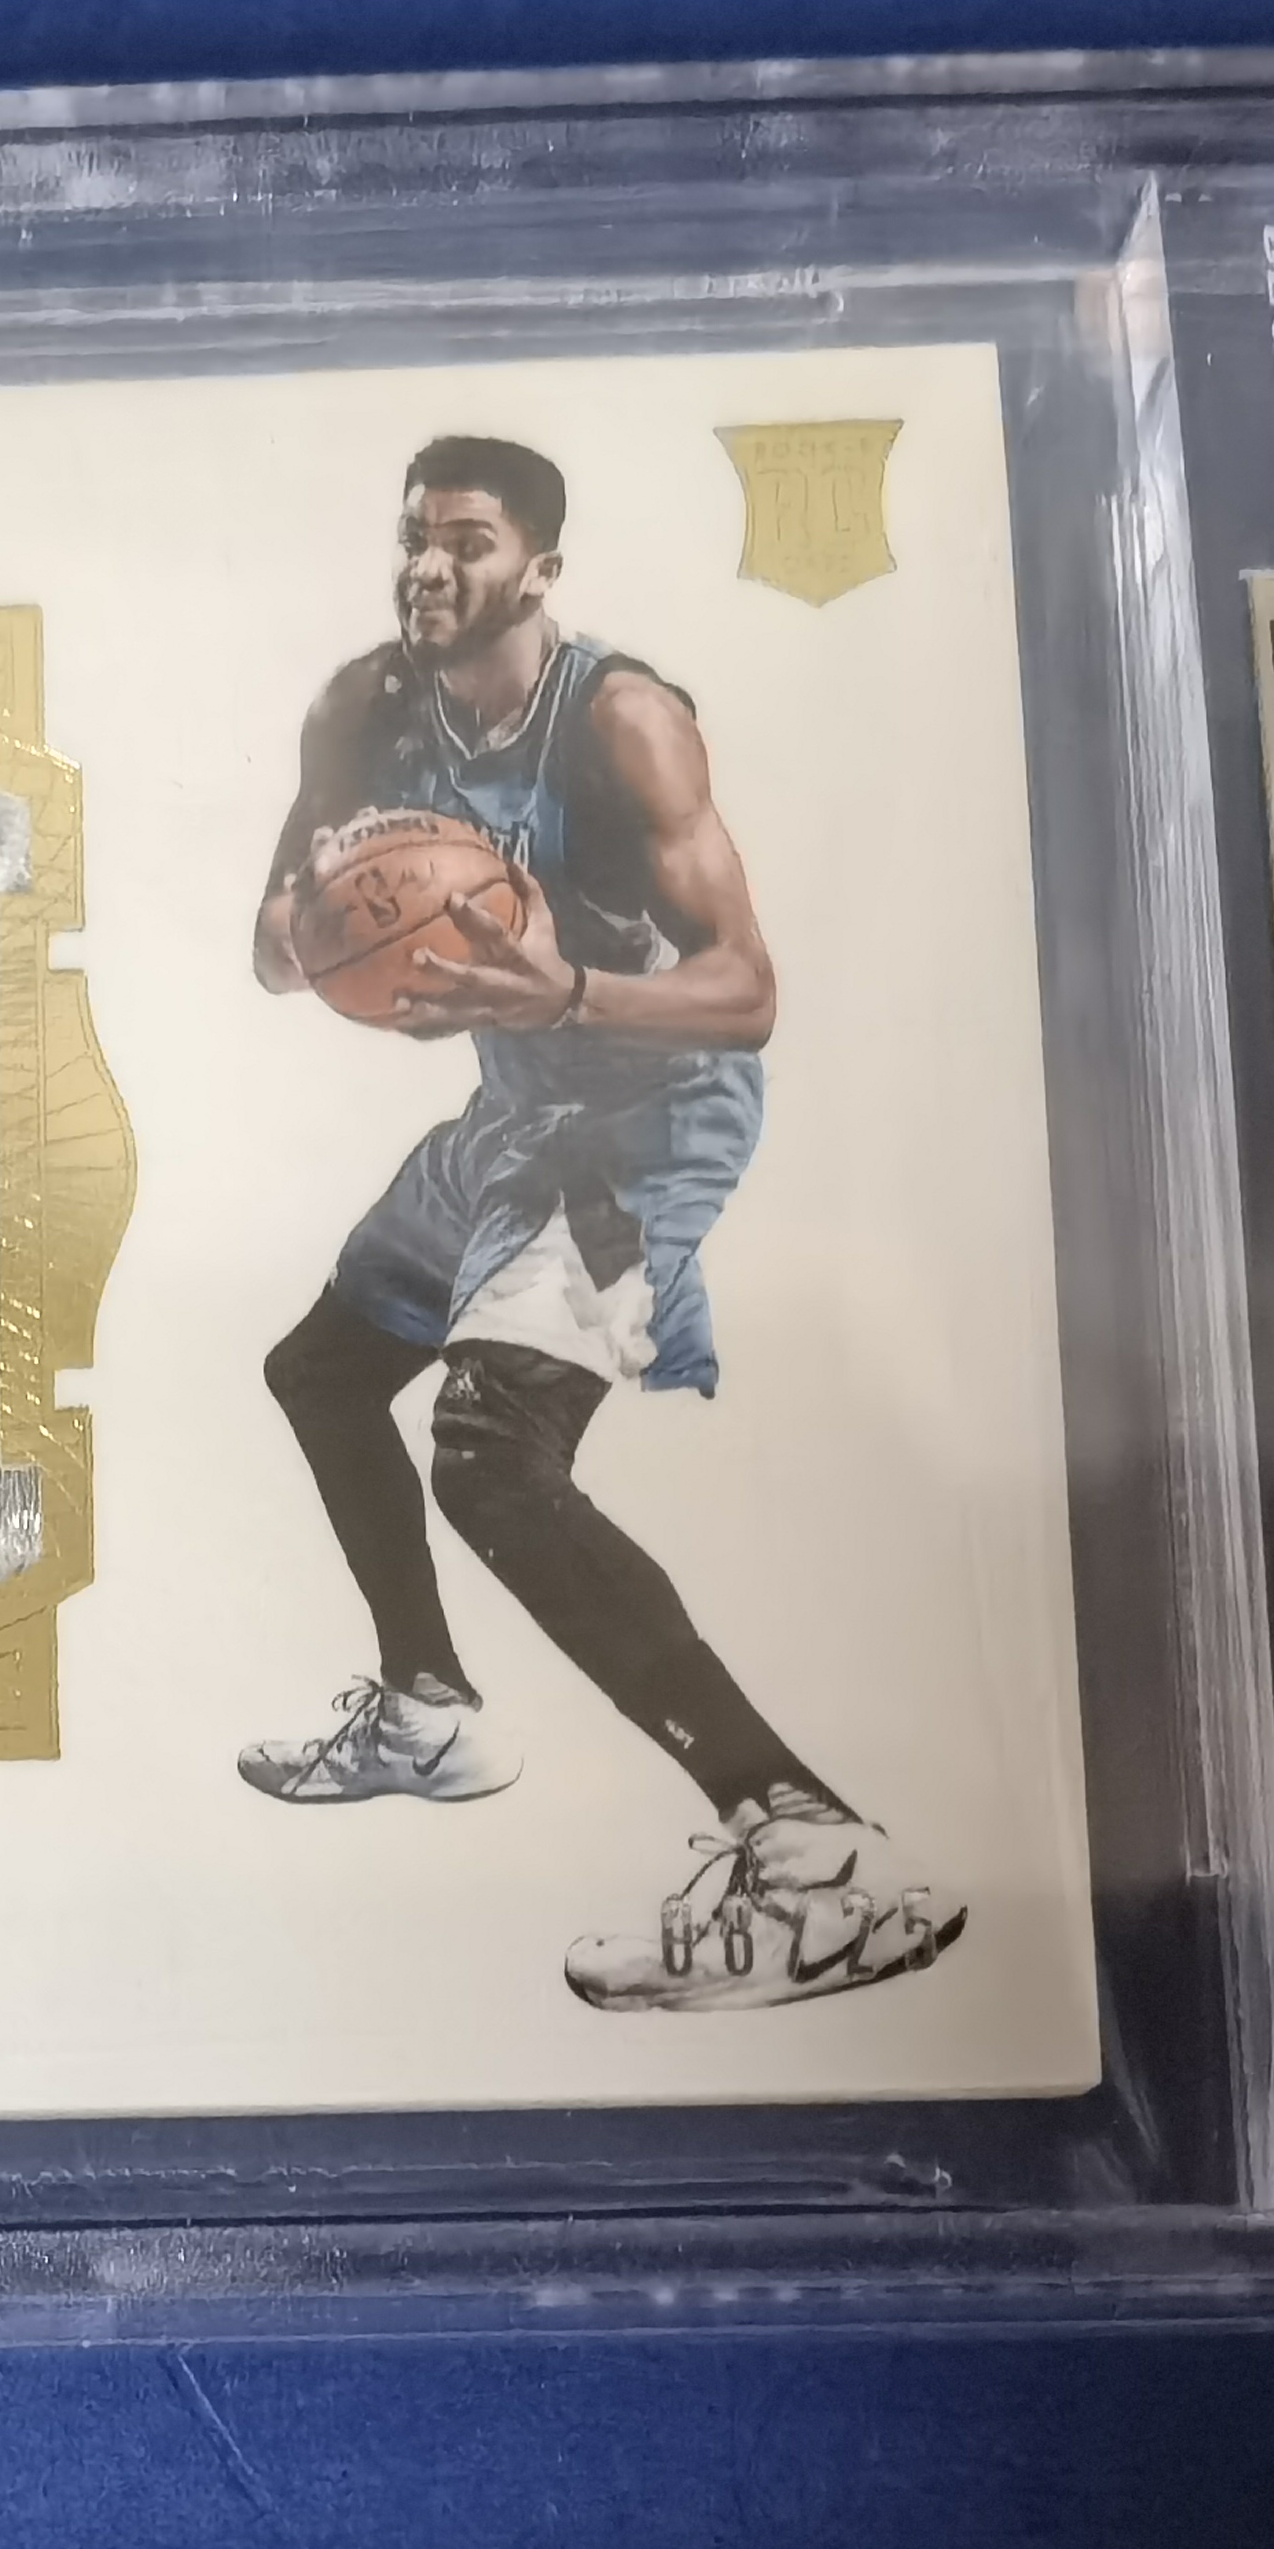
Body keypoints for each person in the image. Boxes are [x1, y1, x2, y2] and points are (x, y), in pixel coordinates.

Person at [239, 437, 963, 2011]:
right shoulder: (364, 708)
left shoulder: (624, 721)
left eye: (468, 542)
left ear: (541, 569)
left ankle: (813, 1847)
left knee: (492, 1458)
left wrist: (561, 986)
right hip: (516, 1109)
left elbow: (747, 993)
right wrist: (347, 929)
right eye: (415, 538)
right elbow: (273, 950)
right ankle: (429, 1710)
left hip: (650, 1117)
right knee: (323, 1375)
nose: (430, 568)